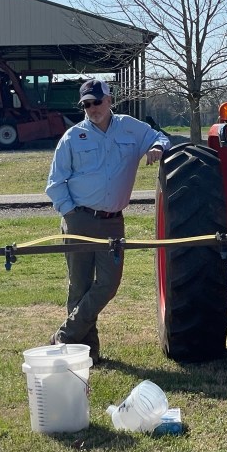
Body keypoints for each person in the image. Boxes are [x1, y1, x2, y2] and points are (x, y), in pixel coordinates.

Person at [45, 78, 171, 362]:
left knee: (108, 284)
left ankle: (64, 336)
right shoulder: (72, 137)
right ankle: (87, 352)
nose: (93, 108)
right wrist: (70, 213)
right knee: (79, 286)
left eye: (97, 102)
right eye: (87, 105)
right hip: (78, 218)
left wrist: (157, 148)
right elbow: (55, 182)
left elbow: (160, 137)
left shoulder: (130, 128)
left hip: (113, 222)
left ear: (109, 101)